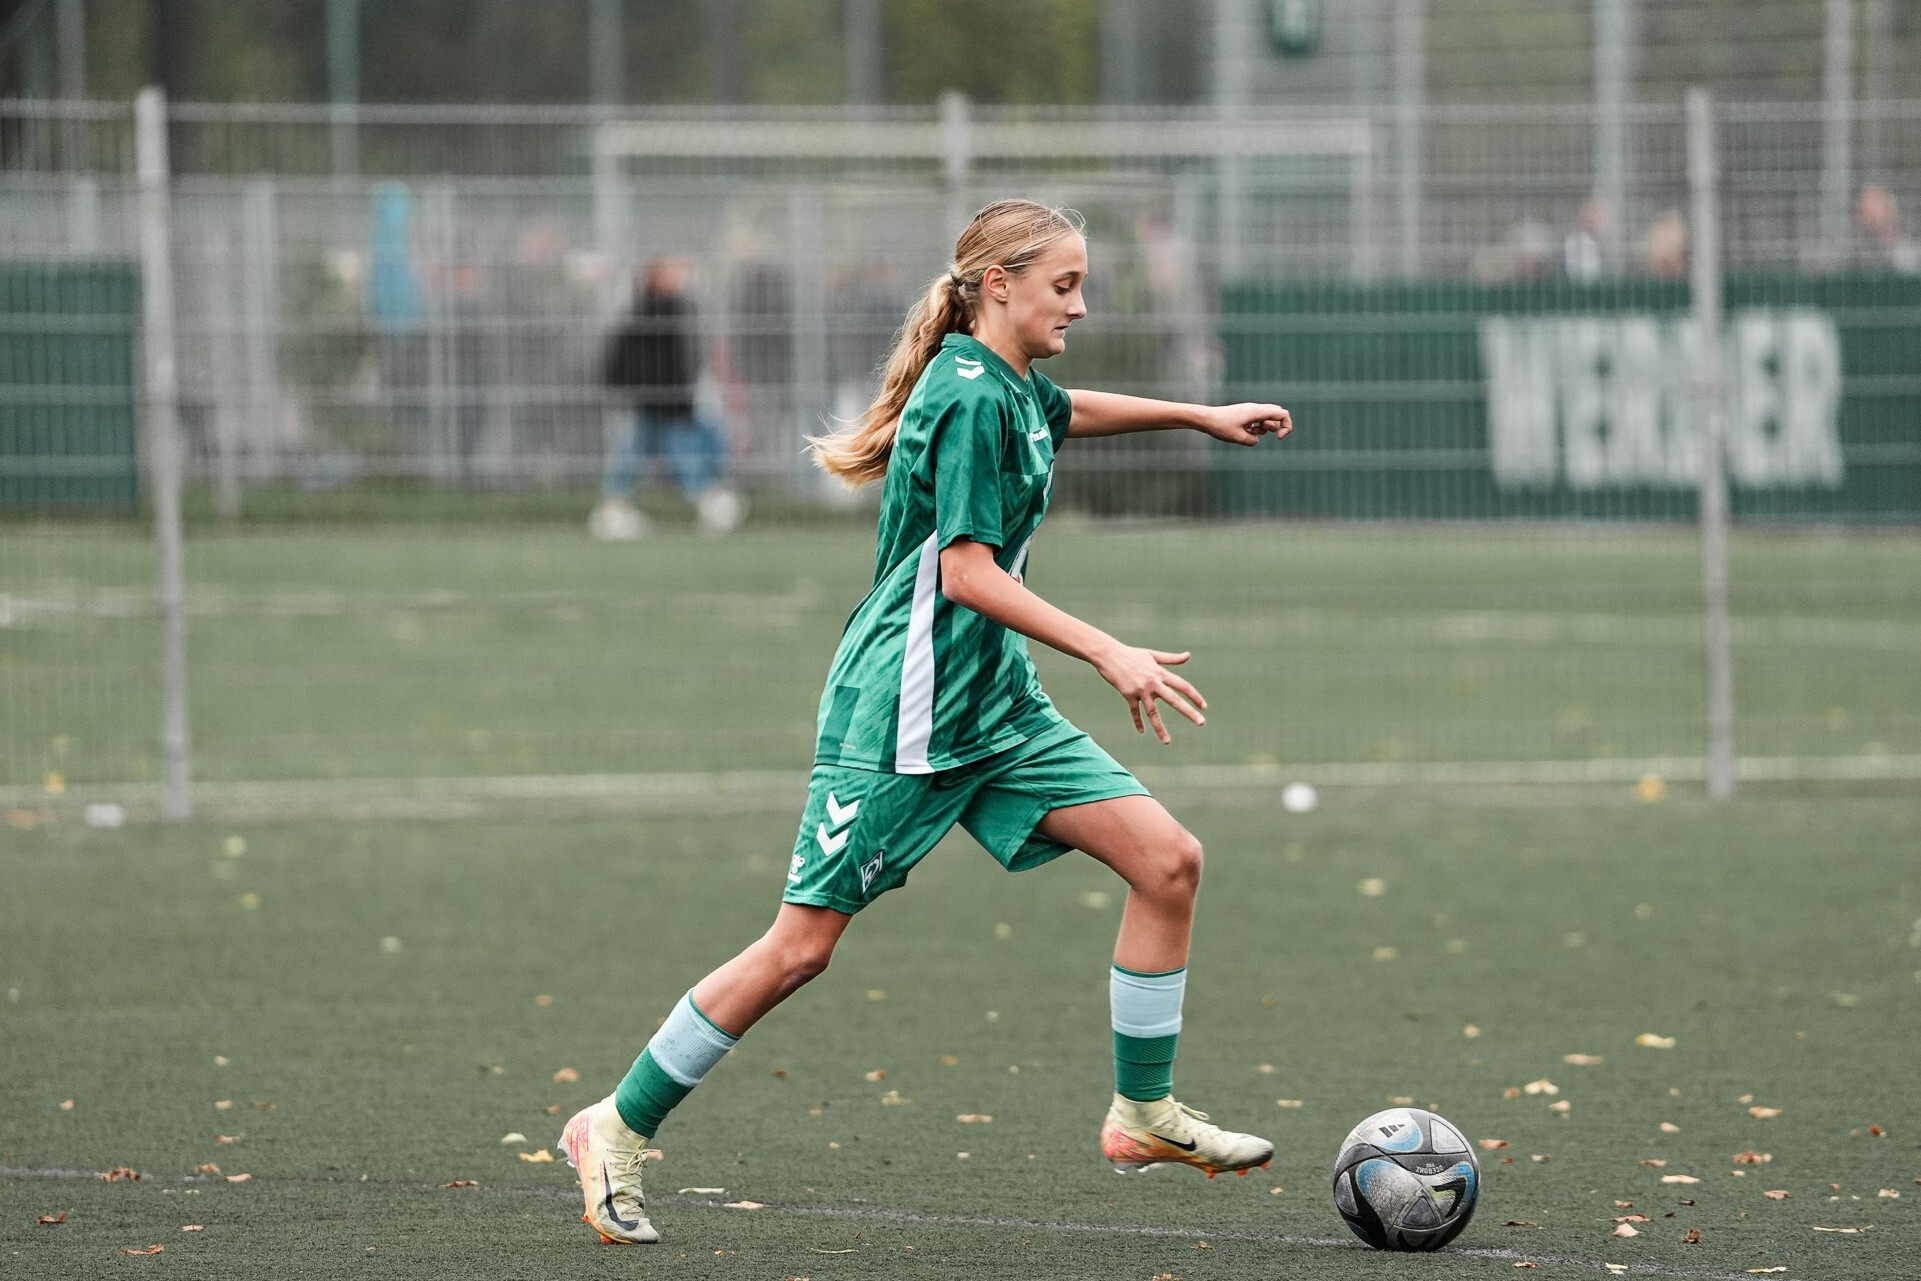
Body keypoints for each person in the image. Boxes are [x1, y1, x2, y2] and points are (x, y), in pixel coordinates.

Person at [560, 199, 1295, 1246]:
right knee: (800, 949)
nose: (1080, 304)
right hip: (903, 713)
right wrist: (1104, 648)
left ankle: (1141, 1115)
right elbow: (963, 573)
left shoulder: (1007, 385)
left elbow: (1061, 408)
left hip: (991, 705)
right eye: (1064, 285)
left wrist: (1197, 414)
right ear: (998, 285)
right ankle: (614, 1129)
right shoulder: (959, 396)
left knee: (1168, 862)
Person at [592, 257, 743, 539]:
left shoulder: (680, 310)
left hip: (671, 401)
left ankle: (618, 505)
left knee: (667, 451)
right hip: (655, 400)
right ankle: (616, 508)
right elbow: (628, 360)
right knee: (647, 451)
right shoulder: (646, 313)